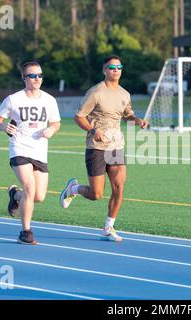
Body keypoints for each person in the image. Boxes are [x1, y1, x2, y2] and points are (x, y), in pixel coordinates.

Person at [60, 55, 148, 242]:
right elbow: (79, 117)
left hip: (116, 146)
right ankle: (73, 189)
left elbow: (127, 115)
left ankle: (108, 227)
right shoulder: (96, 92)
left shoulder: (124, 93)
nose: (115, 70)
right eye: (111, 67)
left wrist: (137, 121)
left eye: (119, 67)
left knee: (119, 188)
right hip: (97, 147)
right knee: (96, 194)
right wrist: (92, 129)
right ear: (104, 70)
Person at [0, 61, 61, 245]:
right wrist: (3, 126)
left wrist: (52, 130)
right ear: (24, 78)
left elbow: (56, 123)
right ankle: (26, 232)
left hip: (40, 151)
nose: (37, 79)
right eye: (32, 75)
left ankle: (15, 195)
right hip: (19, 148)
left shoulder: (49, 100)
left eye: (40, 75)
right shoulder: (14, 99)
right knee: (30, 187)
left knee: (38, 196)